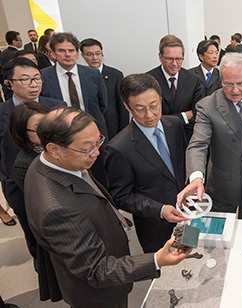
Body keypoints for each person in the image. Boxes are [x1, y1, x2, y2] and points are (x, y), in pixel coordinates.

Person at [24, 107, 190, 307]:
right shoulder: (56, 209)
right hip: (99, 295)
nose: (97, 153)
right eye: (87, 148)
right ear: (54, 149)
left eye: (98, 142)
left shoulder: (51, 163)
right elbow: (97, 271)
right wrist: (157, 260)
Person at [177, 52, 242, 219]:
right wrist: (196, 178)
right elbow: (198, 145)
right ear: (221, 80)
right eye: (228, 84)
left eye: (240, 83)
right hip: (223, 188)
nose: (235, 90)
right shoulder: (207, 106)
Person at [105, 73, 188, 253]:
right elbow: (121, 196)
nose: (149, 115)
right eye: (140, 108)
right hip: (155, 227)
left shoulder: (174, 125)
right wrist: (159, 209)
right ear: (127, 107)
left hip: (189, 215)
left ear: (160, 99)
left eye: (154, 106)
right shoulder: (119, 148)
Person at [0, 57, 64, 262]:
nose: (33, 84)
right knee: (35, 236)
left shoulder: (56, 107)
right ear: (9, 83)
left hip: (59, 182)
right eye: (25, 79)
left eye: (37, 78)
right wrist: (7, 178)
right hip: (20, 186)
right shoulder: (2, 113)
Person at [40, 32, 108, 137]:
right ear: (53, 54)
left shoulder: (93, 74)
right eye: (61, 51)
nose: (67, 54)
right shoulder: (43, 76)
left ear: (77, 54)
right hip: (61, 134)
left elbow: (102, 104)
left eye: (71, 50)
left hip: (92, 131)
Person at [147, 34, 205, 141]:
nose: (174, 63)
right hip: (158, 138)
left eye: (179, 59)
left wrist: (165, 119)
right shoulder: (148, 80)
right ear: (160, 57)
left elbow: (198, 112)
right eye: (169, 59)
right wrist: (184, 116)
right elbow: (149, 116)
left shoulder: (193, 80)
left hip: (187, 138)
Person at [80, 38, 128, 140]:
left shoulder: (115, 75)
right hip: (90, 129)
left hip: (113, 128)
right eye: (89, 54)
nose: (95, 58)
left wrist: (124, 132)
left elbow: (122, 106)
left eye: (98, 53)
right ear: (82, 56)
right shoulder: (80, 77)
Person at [10, 101, 51, 191]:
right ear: (23, 133)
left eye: (48, 124)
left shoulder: (62, 144)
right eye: (38, 128)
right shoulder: (23, 165)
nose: (46, 130)